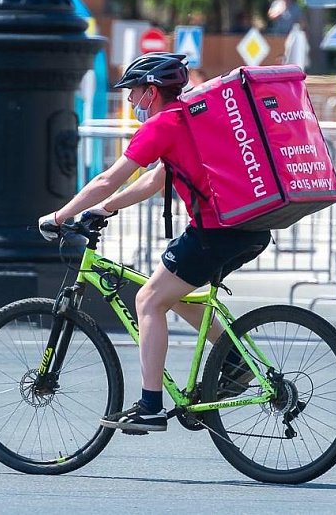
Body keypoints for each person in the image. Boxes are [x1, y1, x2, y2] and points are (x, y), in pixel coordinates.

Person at [37, 52, 271, 433]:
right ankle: (236, 363)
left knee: (147, 299)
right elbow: (156, 178)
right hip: (247, 226)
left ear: (151, 91)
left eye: (132, 93)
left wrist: (59, 216)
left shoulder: (162, 125)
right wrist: (106, 209)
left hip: (215, 231)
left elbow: (107, 179)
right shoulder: (190, 117)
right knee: (173, 294)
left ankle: (150, 406)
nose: (130, 101)